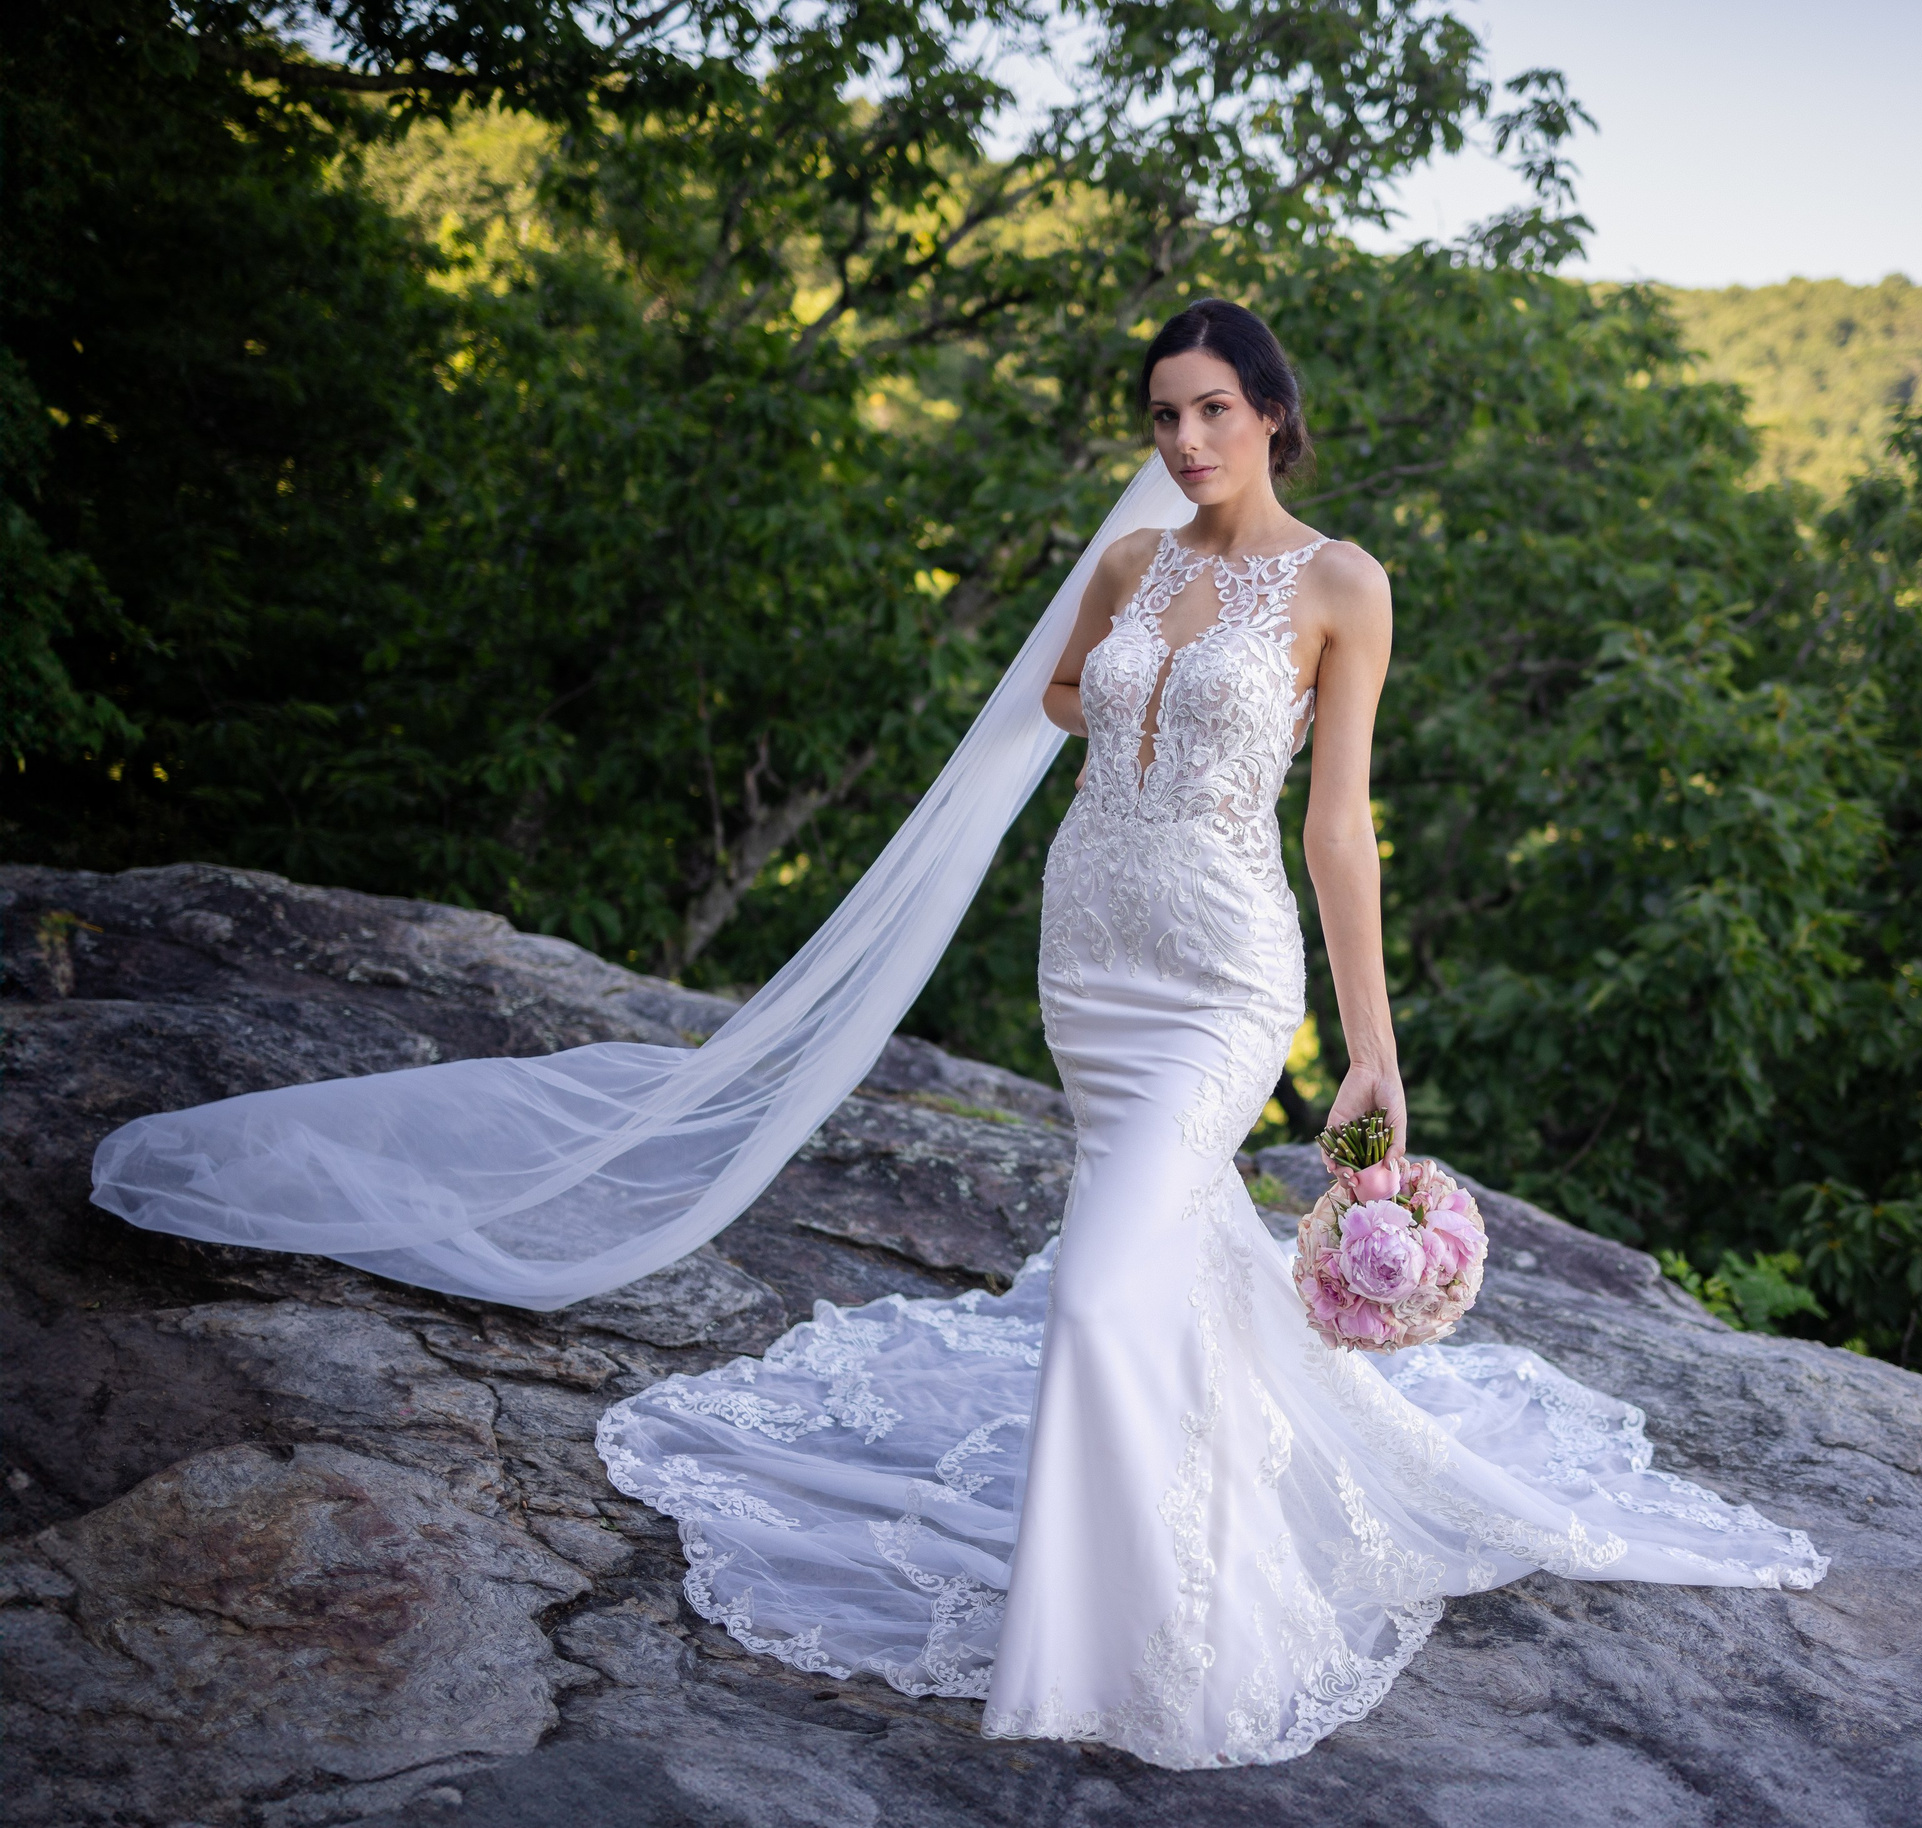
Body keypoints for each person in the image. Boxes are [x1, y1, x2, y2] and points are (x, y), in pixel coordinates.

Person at [593, 300, 1829, 1768]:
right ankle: (1146, 1561)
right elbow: (1061, 689)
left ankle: (1132, 1632)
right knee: (1160, 1263)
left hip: (1223, 969)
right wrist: (1128, 740)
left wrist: (1372, 1050)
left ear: (1272, 415)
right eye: (1164, 415)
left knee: (1103, 1285)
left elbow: (1338, 825)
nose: (1184, 440)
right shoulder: (1131, 562)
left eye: (1212, 411)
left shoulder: (1343, 583)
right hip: (1089, 952)